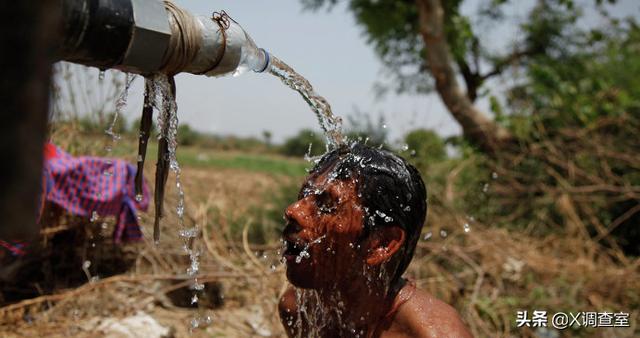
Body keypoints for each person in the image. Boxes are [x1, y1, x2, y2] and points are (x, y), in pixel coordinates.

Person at [279, 143, 472, 338]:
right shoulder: (299, 310)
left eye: (327, 205)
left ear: (381, 244)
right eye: (305, 195)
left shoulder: (434, 333)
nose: (293, 211)